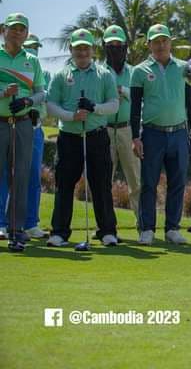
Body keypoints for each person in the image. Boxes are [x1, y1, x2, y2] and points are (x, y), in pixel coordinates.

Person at [46, 29, 120, 247]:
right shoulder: (61, 75)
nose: (82, 52)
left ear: (92, 49)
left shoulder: (104, 75)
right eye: (78, 48)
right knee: (64, 185)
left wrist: (94, 107)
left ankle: (107, 231)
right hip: (69, 137)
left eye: (86, 48)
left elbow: (114, 104)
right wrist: (72, 116)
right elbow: (51, 105)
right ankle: (59, 232)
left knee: (101, 185)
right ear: (71, 49)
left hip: (97, 136)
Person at [130, 24, 191, 245]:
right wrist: (135, 137)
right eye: (156, 42)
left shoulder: (184, 68)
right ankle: (147, 229)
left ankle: (172, 228)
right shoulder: (139, 71)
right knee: (149, 183)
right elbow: (134, 107)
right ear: (148, 44)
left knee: (178, 182)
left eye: (164, 41)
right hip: (152, 133)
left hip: (179, 133)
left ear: (170, 43)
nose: (161, 45)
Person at [0, 13, 47, 251]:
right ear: (4, 31)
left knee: (21, 176)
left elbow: (42, 93)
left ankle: (16, 229)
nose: (17, 33)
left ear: (26, 34)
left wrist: (28, 101)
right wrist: (3, 93)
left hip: (23, 123)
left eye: (22, 29)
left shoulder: (32, 61)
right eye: (13, 28)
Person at [101, 25, 141, 224]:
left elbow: (142, 100)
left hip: (128, 130)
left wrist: (124, 91)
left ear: (125, 47)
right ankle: (106, 225)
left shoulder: (134, 72)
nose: (115, 49)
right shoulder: (98, 72)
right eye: (111, 45)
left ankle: (143, 224)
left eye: (119, 45)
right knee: (103, 181)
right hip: (103, 130)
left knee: (136, 180)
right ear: (104, 47)